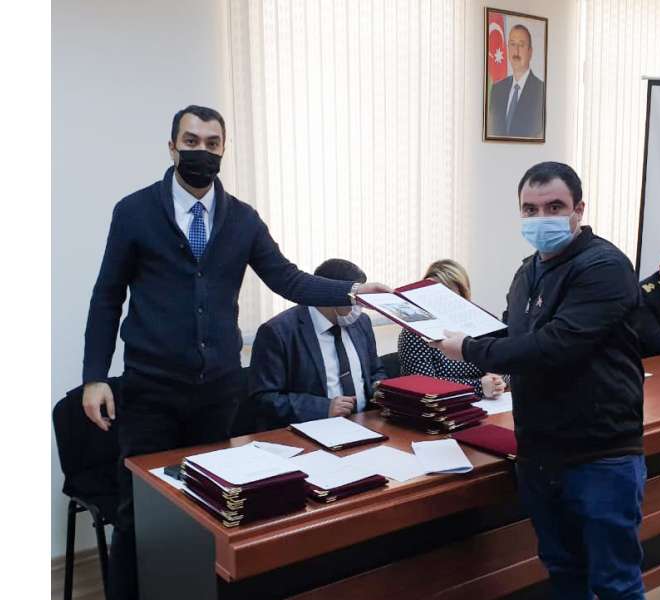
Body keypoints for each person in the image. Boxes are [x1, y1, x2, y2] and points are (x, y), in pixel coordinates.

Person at [81, 105, 390, 599]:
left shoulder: (243, 220)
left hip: (217, 393)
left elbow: (287, 278)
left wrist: (350, 291)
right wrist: (95, 375)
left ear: (223, 150)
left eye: (212, 143)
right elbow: (107, 295)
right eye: (191, 141)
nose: (201, 151)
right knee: (139, 514)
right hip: (150, 392)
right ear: (172, 147)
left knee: (211, 510)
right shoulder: (134, 211)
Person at [431, 162, 646, 599]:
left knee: (615, 582)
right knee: (563, 571)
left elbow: (556, 345)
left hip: (599, 454)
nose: (540, 218)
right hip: (539, 453)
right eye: (530, 209)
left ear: (578, 209)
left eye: (554, 207)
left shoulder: (604, 266)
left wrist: (469, 349)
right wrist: (440, 324)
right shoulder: (526, 272)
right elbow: (513, 334)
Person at [249, 259, 388, 429]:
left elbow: (375, 371)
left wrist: (380, 390)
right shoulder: (278, 331)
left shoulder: (361, 322)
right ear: (331, 293)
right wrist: (323, 409)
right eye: (354, 299)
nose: (359, 307)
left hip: (366, 423)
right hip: (310, 430)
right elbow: (264, 398)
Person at [398, 259, 506, 398]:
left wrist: (498, 378)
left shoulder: (481, 324)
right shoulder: (414, 333)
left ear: (463, 295)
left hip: (492, 404)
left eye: (446, 294)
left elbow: (512, 362)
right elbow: (423, 384)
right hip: (438, 407)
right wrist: (478, 387)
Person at [488, 24, 545, 138]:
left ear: (530, 52)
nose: (516, 51)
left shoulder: (541, 91)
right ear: (508, 49)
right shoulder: (497, 90)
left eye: (521, 45)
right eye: (512, 44)